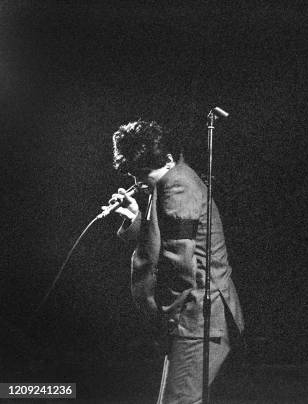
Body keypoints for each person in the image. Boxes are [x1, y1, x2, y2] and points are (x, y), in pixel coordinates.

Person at [107, 120, 244, 403]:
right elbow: (164, 240)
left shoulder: (176, 184)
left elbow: (178, 265)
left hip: (195, 318)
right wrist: (136, 217)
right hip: (193, 318)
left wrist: (160, 318)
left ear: (167, 159)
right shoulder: (175, 180)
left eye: (143, 173)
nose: (138, 182)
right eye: (133, 175)